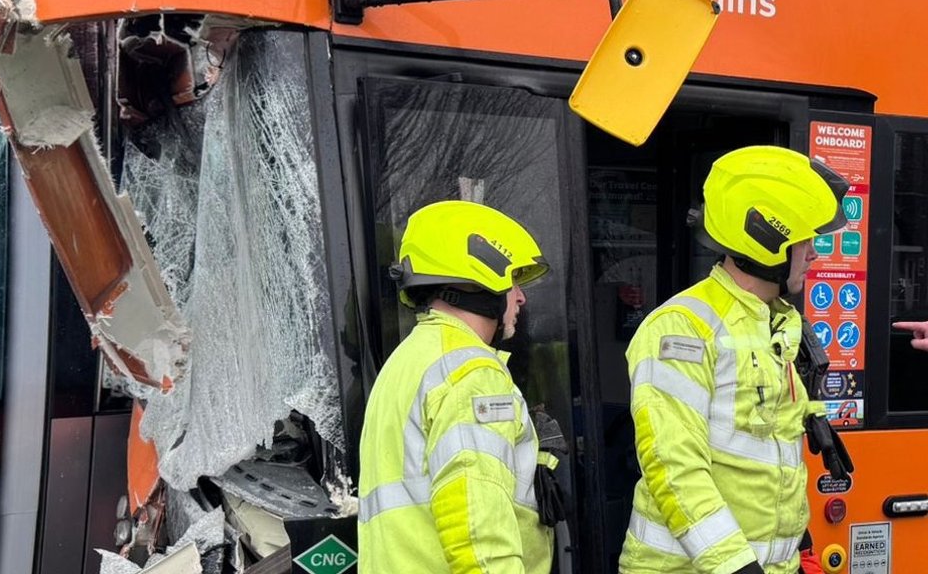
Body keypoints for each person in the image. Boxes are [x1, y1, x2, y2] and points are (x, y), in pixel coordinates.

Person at [619, 146, 853, 574]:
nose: (814, 254)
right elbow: (675, 470)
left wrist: (797, 545)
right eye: (805, 239)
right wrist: (738, 566)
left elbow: (768, 461)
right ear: (767, 239)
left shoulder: (777, 326)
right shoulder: (682, 329)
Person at [358, 200, 563, 574]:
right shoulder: (472, 373)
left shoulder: (408, 361)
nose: (521, 296)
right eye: (513, 281)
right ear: (480, 277)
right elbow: (479, 533)